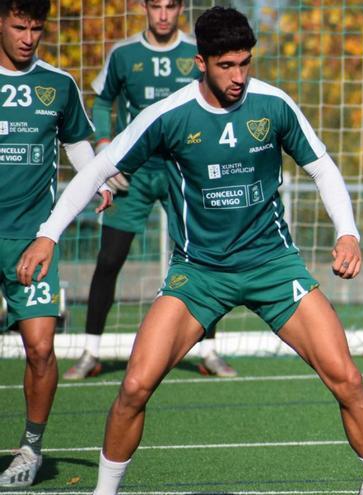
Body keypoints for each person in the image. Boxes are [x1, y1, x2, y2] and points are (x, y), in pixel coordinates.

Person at [17, 7, 363, 493]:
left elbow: (322, 167)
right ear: (201, 63)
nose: (238, 77)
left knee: (348, 379)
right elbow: (96, 168)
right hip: (199, 273)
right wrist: (48, 234)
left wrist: (348, 232)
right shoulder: (169, 116)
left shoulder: (273, 104)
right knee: (133, 387)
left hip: (272, 265)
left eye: (245, 63)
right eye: (226, 66)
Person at [63, 0, 238, 380]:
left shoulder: (197, 51)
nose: (163, 14)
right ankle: (90, 350)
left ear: (180, 9)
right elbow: (105, 99)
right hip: (136, 172)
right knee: (109, 259)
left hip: (184, 169)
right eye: (155, 5)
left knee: (205, 257)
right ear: (143, 7)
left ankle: (208, 351)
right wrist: (106, 143)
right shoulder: (124, 53)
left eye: (171, 6)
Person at [0, 0, 112, 486]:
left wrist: (100, 181)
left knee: (42, 350)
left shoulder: (59, 85)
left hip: (33, 239)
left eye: (36, 28)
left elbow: (75, 145)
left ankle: (30, 449)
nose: (28, 37)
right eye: (18, 26)